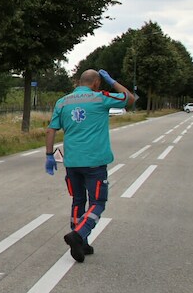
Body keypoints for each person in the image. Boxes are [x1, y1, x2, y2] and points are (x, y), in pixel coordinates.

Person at [44, 69, 135, 262]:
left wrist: (49, 155)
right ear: (95, 83)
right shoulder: (100, 98)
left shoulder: (63, 101)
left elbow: (51, 130)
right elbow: (130, 98)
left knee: (78, 200)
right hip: (95, 162)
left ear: (78, 81)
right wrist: (112, 81)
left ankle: (81, 243)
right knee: (97, 203)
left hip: (72, 162)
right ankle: (79, 234)